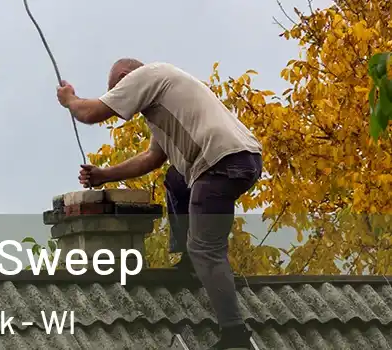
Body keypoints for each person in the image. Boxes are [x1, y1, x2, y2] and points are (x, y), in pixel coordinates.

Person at [55, 58, 263, 350]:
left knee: (206, 249)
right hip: (241, 159)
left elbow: (91, 113)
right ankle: (191, 263)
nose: (121, 98)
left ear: (126, 77)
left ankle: (234, 335)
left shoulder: (148, 75)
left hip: (220, 163)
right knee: (177, 177)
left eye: (118, 89)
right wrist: (104, 175)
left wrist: (70, 100)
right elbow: (151, 159)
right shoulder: (163, 102)